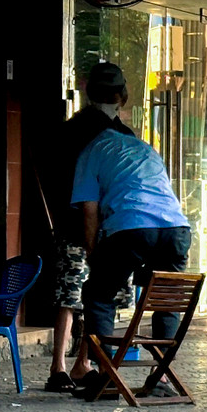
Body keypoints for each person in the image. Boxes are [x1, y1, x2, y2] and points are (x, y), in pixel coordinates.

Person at [71, 95, 192, 398]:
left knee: (98, 294)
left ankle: (106, 372)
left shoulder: (90, 151)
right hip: (176, 227)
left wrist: (91, 254)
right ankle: (161, 377)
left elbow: (89, 210)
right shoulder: (145, 149)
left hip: (131, 226)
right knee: (165, 300)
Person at [41, 62, 137, 393]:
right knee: (94, 297)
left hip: (76, 227)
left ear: (87, 93)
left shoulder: (70, 130)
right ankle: (76, 364)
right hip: (106, 229)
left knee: (73, 295)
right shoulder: (123, 136)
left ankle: (64, 367)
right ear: (122, 96)